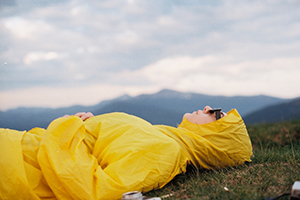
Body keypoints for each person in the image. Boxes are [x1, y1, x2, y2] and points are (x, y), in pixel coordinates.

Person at [0, 106, 252, 200]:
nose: (208, 108)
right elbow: (111, 146)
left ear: (217, 139)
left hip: (18, 165)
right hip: (22, 150)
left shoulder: (167, 151)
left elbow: (93, 191)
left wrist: (67, 130)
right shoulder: (166, 138)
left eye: (216, 115)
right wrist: (92, 126)